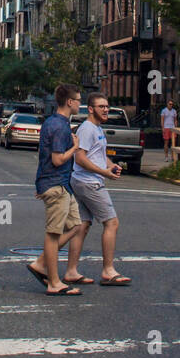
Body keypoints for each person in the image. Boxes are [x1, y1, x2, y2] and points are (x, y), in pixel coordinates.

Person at [67, 93, 131, 286]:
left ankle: (71, 271)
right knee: (111, 223)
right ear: (91, 109)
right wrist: (104, 172)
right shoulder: (87, 129)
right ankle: (108, 271)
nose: (106, 110)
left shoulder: (97, 129)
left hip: (82, 180)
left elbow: (98, 155)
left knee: (82, 226)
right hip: (89, 182)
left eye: (107, 106)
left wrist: (110, 165)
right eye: (101, 106)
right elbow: (80, 158)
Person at [27, 84, 83, 296]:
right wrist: (74, 148)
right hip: (56, 185)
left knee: (76, 225)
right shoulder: (60, 126)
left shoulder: (52, 122)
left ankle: (41, 263)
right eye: (78, 100)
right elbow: (57, 159)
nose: (80, 104)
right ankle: (54, 282)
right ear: (69, 102)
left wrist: (42, 183)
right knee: (53, 234)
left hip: (58, 184)